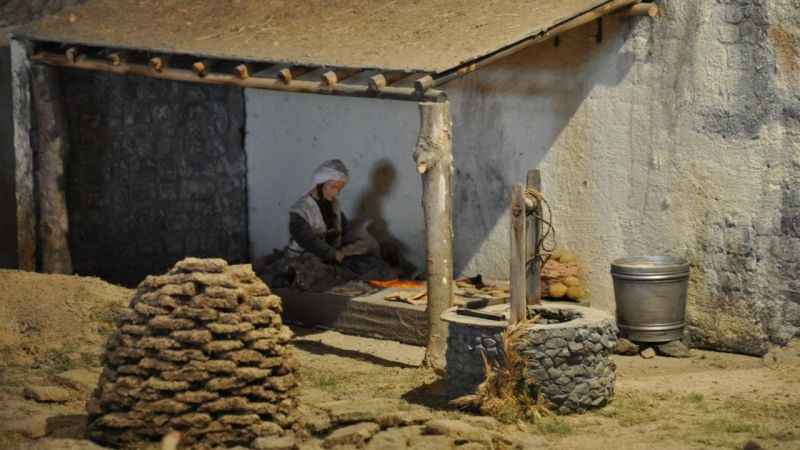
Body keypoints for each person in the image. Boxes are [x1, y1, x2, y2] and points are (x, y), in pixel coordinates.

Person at [258, 159, 396, 291]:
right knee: (312, 273)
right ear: (319, 184)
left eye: (340, 188)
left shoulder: (334, 205)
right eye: (333, 187)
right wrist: (334, 254)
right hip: (306, 258)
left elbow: (344, 230)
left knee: (375, 264)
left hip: (333, 256)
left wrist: (356, 246)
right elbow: (308, 241)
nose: (336, 192)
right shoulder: (300, 210)